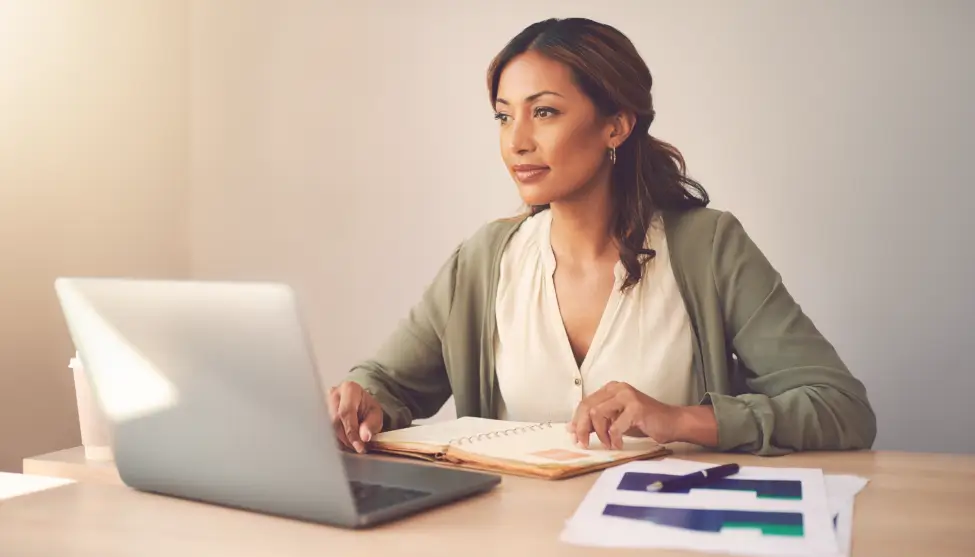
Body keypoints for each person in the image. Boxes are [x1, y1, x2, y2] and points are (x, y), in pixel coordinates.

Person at [327, 17, 876, 457]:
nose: (517, 141)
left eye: (544, 112)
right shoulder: (484, 260)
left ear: (616, 124)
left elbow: (840, 407)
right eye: (502, 117)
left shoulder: (709, 247)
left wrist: (681, 419)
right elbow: (386, 384)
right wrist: (363, 403)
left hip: (668, 534)